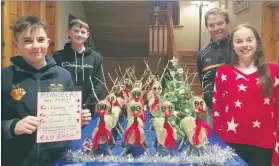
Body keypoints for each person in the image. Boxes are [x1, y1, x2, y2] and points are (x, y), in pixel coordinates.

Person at [1, 16, 92, 166]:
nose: (36, 46)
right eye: (28, 41)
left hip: (55, 161)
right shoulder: (4, 77)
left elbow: (68, 124)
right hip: (15, 159)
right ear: (16, 44)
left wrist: (78, 120)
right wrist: (11, 127)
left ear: (48, 41)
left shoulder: (63, 76)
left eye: (40, 39)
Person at [212, 23, 279, 166]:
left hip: (264, 144)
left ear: (257, 43)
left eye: (249, 40)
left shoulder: (274, 70)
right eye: (239, 41)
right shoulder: (223, 72)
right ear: (232, 46)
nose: (245, 45)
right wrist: (220, 137)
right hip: (230, 142)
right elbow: (218, 106)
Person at [53, 19, 103, 115]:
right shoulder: (58, 56)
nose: (79, 34)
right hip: (63, 109)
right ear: (69, 33)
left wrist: (86, 106)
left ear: (87, 35)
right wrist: (62, 105)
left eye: (83, 32)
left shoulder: (96, 57)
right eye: (76, 31)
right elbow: (55, 83)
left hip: (88, 110)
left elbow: (98, 85)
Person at [196, 7, 231, 127]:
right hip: (213, 110)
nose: (216, 28)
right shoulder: (202, 53)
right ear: (207, 27)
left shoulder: (238, 46)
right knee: (216, 144)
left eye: (220, 23)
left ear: (228, 23)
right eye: (211, 25)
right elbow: (203, 82)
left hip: (238, 108)